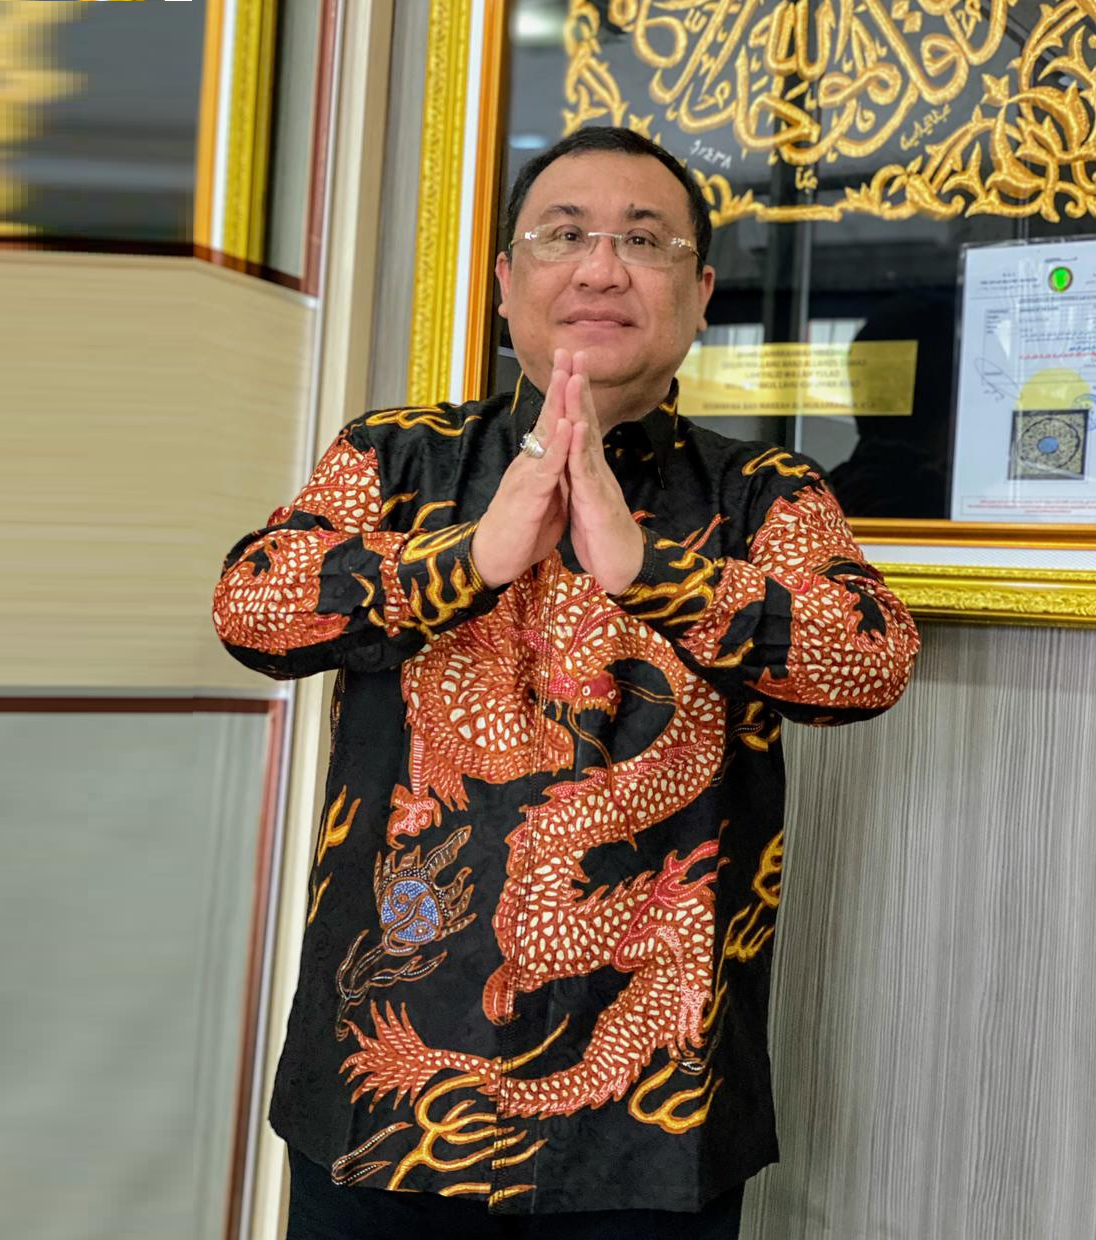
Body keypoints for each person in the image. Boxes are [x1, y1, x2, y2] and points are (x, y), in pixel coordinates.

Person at [213, 127, 920, 1239]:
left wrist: (652, 573)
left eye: (643, 240)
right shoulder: (397, 457)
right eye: (564, 235)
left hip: (654, 1118)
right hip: (380, 1095)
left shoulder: (760, 492)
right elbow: (251, 609)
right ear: (506, 284)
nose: (600, 268)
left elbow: (870, 661)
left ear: (699, 295)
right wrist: (473, 556)